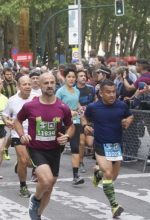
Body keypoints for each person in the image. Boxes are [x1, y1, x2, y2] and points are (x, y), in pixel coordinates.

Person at [14, 72, 74, 220]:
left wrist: (67, 136)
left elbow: (71, 126)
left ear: (55, 84)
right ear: (39, 85)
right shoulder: (30, 105)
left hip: (54, 150)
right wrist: (22, 135)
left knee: (50, 187)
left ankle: (38, 214)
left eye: (52, 82)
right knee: (46, 181)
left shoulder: (62, 106)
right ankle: (35, 199)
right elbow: (17, 121)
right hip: (36, 149)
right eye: (45, 83)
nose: (49, 85)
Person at [81, 80, 133, 218]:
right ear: (101, 93)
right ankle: (114, 205)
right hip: (101, 144)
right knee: (108, 174)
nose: (112, 95)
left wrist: (128, 121)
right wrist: (85, 125)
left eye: (114, 92)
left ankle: (98, 173)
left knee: (113, 177)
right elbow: (84, 117)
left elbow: (130, 115)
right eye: (108, 92)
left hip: (116, 145)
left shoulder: (122, 105)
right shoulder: (93, 107)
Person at [3, 75, 33, 197]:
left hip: (33, 133)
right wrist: (7, 121)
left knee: (30, 163)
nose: (27, 86)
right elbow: (4, 115)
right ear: (19, 86)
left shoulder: (36, 98)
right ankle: (23, 186)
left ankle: (20, 164)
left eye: (29, 84)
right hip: (17, 133)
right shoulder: (12, 100)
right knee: (24, 160)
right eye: (24, 84)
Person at [55, 67, 84, 185]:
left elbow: (76, 102)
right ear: (65, 78)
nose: (71, 79)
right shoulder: (60, 91)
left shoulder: (77, 91)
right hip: (62, 123)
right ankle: (51, 171)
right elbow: (56, 106)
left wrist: (79, 108)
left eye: (73, 77)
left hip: (75, 122)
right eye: (69, 77)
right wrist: (68, 112)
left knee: (75, 147)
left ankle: (76, 176)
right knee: (58, 149)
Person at [75, 69, 96, 173]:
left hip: (90, 119)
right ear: (76, 78)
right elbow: (75, 106)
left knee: (90, 142)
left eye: (84, 75)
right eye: (81, 76)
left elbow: (95, 101)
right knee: (82, 143)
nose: (83, 77)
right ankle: (80, 162)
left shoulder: (91, 89)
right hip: (78, 119)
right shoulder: (73, 90)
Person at [1, 68, 17, 161]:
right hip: (4, 110)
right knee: (1, 132)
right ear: (4, 75)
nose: (9, 76)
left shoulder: (15, 83)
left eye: (10, 74)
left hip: (13, 110)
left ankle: (5, 148)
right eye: (7, 74)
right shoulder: (1, 84)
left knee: (12, 131)